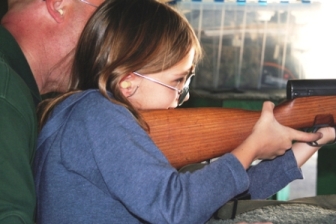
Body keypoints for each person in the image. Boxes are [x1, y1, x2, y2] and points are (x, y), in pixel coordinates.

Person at [33, 0, 335, 223]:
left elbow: (213, 194)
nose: (181, 98)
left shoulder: (95, 118)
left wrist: (308, 143)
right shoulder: (96, 116)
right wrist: (253, 145)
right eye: (178, 81)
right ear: (128, 83)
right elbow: (175, 209)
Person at [0, 0, 103, 223]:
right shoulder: (5, 91)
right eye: (104, 14)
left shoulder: (18, 90)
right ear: (59, 5)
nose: (113, 34)